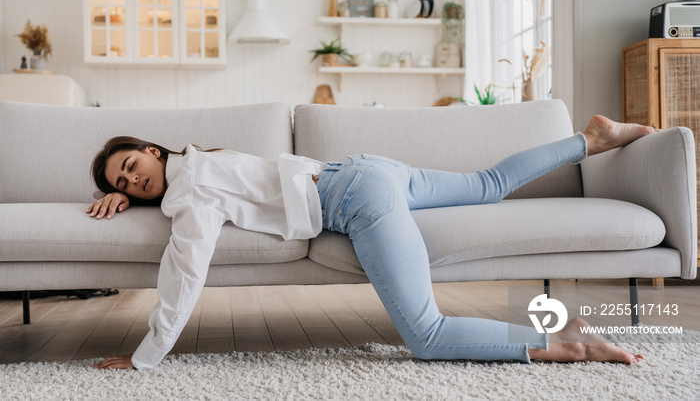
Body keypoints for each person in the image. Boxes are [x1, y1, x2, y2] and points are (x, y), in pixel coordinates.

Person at [88, 115, 656, 370]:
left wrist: (147, 355)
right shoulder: (198, 164)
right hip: (365, 170)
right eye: (122, 183)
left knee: (428, 335)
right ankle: (590, 137)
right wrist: (135, 199)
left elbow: (185, 268)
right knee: (489, 185)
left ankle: (567, 342)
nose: (132, 180)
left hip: (355, 200)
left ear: (153, 152)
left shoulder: (189, 192)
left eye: (133, 166)